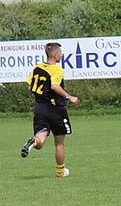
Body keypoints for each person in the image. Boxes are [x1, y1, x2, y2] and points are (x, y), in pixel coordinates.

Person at [20, 41, 80, 178]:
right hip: (55, 109)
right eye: (60, 53)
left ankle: (33, 142)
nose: (61, 55)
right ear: (55, 54)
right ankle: (60, 172)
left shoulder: (37, 68)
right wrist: (69, 97)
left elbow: (30, 87)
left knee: (40, 139)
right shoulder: (57, 70)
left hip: (40, 108)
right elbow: (54, 86)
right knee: (59, 143)